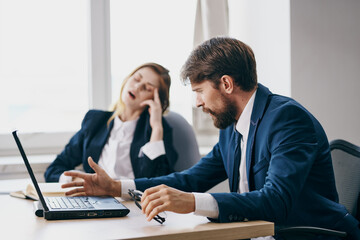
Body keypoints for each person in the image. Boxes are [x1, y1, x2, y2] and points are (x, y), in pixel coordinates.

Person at [61, 37, 360, 239]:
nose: (198, 103)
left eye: (200, 92)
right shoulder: (231, 127)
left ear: (226, 84)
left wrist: (190, 203)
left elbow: (276, 202)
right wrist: (117, 187)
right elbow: (191, 180)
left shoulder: (287, 120)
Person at [45, 62, 178, 183]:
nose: (137, 87)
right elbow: (54, 169)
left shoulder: (158, 130)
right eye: (136, 79)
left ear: (156, 100)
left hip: (132, 203)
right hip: (94, 202)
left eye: (147, 88)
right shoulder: (95, 121)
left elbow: (161, 182)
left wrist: (156, 129)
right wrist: (74, 179)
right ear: (127, 79)